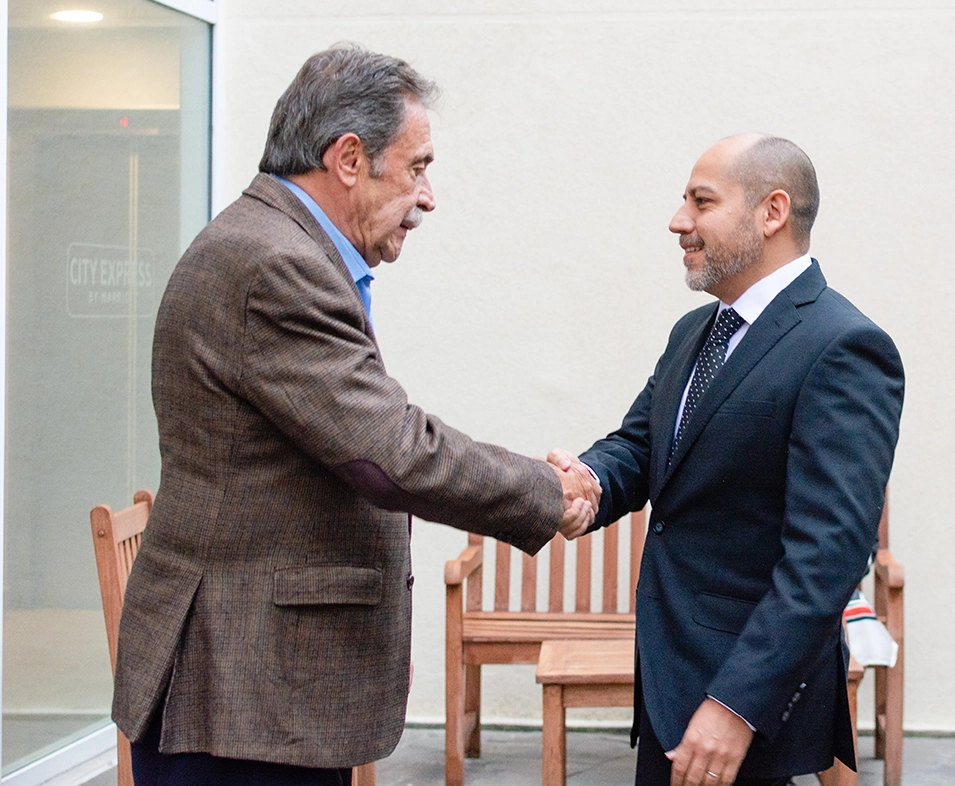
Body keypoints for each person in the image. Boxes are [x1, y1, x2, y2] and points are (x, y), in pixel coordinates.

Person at [112, 44, 599, 786]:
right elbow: (388, 450)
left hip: (261, 694)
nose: (428, 197)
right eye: (416, 168)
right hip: (239, 697)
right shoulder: (274, 265)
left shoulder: (275, 246)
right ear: (347, 159)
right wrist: (545, 489)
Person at [552, 134, 904, 786]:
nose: (677, 221)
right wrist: (588, 481)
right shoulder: (696, 331)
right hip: (669, 677)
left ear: (772, 212)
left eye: (701, 202)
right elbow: (644, 446)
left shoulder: (844, 347)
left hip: (743, 703)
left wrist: (737, 706)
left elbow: (827, 558)